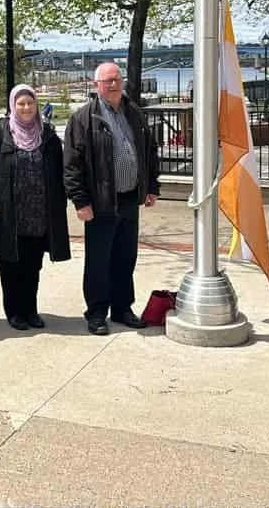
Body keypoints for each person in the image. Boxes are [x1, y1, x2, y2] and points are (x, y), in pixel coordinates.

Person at [64, 62, 159, 336]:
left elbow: (149, 151)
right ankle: (96, 313)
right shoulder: (84, 119)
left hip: (130, 199)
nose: (113, 85)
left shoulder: (135, 114)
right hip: (100, 202)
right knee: (98, 261)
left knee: (125, 257)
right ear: (97, 86)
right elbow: (72, 165)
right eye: (107, 81)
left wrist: (151, 186)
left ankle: (122, 308)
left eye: (116, 79)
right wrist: (80, 202)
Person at [0, 84, 71, 331]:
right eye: (21, 103)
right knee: (10, 264)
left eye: (30, 103)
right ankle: (14, 311)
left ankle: (30, 310)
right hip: (9, 213)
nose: (26, 108)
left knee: (33, 265)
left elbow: (60, 171)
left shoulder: (47, 135)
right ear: (12, 106)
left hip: (39, 213)